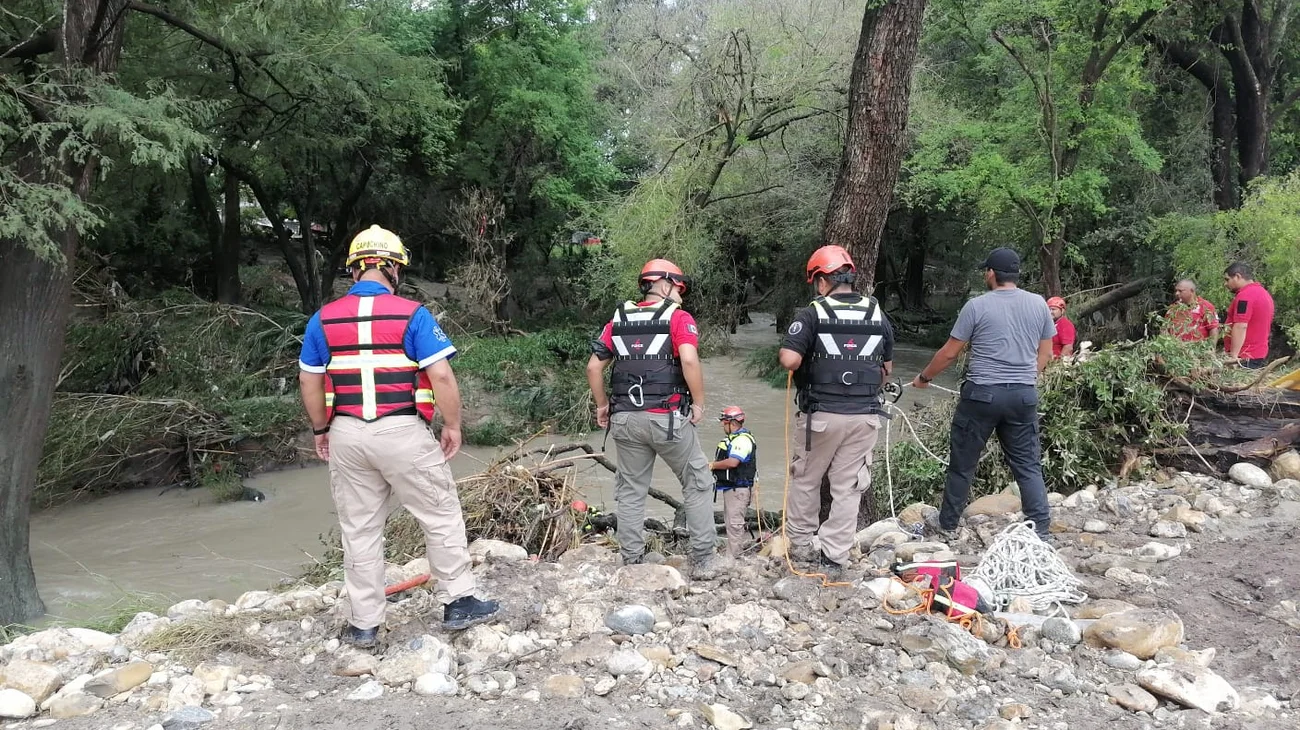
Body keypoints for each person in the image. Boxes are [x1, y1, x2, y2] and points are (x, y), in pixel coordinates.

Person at [298, 225, 499, 647]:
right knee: (439, 514)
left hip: (348, 433)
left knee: (360, 529)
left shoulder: (323, 319)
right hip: (403, 430)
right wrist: (454, 425)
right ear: (392, 267)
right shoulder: (413, 315)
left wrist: (321, 430)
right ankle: (458, 601)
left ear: (354, 270)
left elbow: (310, 381)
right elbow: (441, 374)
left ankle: (365, 623)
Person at [911, 247, 1054, 542]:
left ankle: (948, 522)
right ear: (1016, 274)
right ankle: (1040, 528)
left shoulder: (976, 306)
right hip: (1023, 395)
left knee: (963, 463)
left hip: (982, 396)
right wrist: (1026, 379)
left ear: (991, 273)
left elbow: (950, 353)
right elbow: (1047, 354)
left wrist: (924, 377)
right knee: (1027, 465)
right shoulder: (1039, 304)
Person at [585, 259, 717, 574]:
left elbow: (593, 367)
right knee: (697, 482)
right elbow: (688, 360)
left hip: (625, 419)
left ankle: (632, 561)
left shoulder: (616, 321)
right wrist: (699, 403)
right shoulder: (679, 318)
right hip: (667, 417)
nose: (682, 296)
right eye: (679, 288)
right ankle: (703, 559)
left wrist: (602, 405)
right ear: (665, 284)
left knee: (631, 489)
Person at [778, 245, 893, 574]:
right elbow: (887, 367)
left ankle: (799, 544)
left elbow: (789, 360)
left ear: (821, 281)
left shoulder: (812, 313)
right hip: (865, 416)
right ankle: (834, 555)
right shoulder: (876, 313)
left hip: (821, 416)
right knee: (848, 487)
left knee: (806, 479)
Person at [709, 406, 758, 557]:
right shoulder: (735, 439)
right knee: (731, 522)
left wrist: (712, 465)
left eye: (724, 422)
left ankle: (734, 558)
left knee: (735, 524)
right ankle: (732, 554)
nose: (723, 426)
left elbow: (732, 462)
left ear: (732, 423)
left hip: (739, 488)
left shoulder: (742, 440)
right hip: (732, 488)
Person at [1223, 262, 1275, 368]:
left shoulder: (1245, 296)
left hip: (1245, 356)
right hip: (1256, 353)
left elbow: (1241, 326)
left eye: (1227, 279)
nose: (1225, 284)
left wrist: (1233, 357)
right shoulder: (1263, 293)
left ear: (1237, 276)